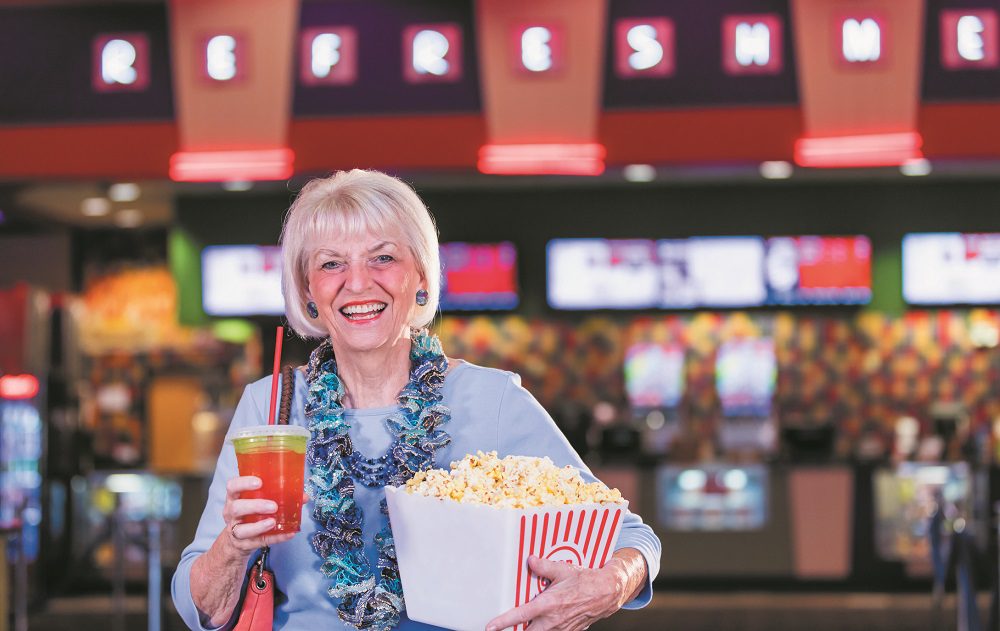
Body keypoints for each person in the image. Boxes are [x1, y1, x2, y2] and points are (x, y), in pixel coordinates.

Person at [172, 169, 661, 631]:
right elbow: (197, 605)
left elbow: (631, 537)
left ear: (422, 276)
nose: (358, 282)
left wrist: (610, 583)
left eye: (383, 257)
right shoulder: (271, 406)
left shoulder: (490, 400)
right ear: (307, 289)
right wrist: (233, 547)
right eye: (331, 263)